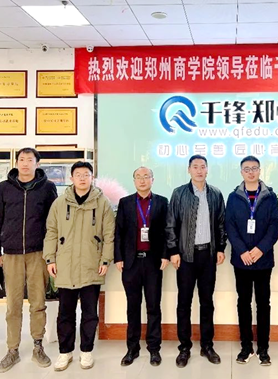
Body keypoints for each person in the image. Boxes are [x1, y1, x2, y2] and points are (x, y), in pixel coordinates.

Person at [0, 147, 58, 373]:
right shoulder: (3, 188)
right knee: (13, 305)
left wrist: (52, 253)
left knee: (38, 303)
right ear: (16, 162)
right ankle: (12, 349)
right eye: (22, 159)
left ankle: (38, 345)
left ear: (37, 163)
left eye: (30, 159)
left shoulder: (48, 188)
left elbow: (53, 222)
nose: (25, 163)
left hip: (38, 253)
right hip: (11, 253)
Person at [43, 161, 115, 371]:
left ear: (92, 178)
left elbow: (109, 234)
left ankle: (86, 351)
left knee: (89, 313)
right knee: (65, 313)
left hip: (92, 265)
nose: (82, 178)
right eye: (78, 174)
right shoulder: (59, 203)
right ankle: (65, 352)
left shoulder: (102, 203)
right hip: (65, 265)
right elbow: (51, 232)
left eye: (86, 174)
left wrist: (105, 260)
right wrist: (50, 259)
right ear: (71, 178)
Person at [165, 155, 226, 368]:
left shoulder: (216, 194)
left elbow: (221, 224)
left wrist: (220, 248)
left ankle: (207, 345)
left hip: (208, 255)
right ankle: (184, 347)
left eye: (203, 167)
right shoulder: (179, 193)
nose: (199, 170)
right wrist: (173, 251)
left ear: (207, 170)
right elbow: (170, 224)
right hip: (185, 257)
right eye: (195, 167)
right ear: (189, 170)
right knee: (184, 303)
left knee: (207, 302)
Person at [225, 156, 278, 366]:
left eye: (254, 168)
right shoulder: (233, 197)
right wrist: (243, 251)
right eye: (246, 169)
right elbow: (230, 226)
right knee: (243, 303)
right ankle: (246, 347)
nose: (250, 172)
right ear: (241, 172)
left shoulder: (270, 197)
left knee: (263, 304)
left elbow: (274, 226)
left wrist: (259, 250)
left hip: (263, 260)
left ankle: (263, 349)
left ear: (260, 171)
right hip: (242, 261)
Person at [114, 167, 169, 367]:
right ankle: (132, 348)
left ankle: (154, 348)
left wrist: (165, 255)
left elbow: (167, 231)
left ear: (152, 180)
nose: (142, 180)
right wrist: (118, 257)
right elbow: (118, 232)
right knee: (133, 307)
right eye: (139, 177)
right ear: (134, 180)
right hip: (131, 262)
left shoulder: (162, 202)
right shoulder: (125, 202)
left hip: (153, 262)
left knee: (154, 306)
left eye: (146, 177)